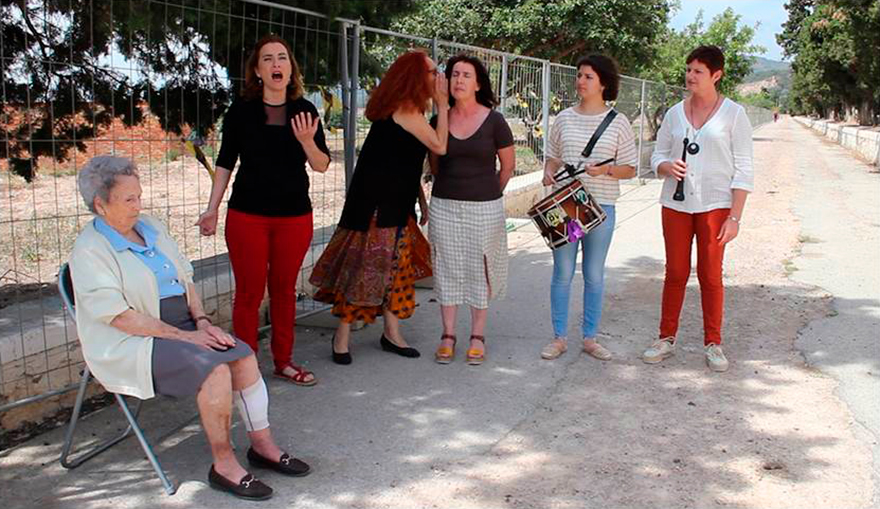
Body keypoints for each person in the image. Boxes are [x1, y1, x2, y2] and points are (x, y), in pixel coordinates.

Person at [69, 156, 308, 501]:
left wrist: (203, 321)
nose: (139, 205)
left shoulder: (149, 226)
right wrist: (188, 337)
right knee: (214, 371)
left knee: (243, 359)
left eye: (139, 195)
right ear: (100, 205)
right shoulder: (90, 250)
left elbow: (185, 276)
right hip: (132, 340)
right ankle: (224, 465)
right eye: (129, 199)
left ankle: (262, 445)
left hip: (182, 326)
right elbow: (120, 317)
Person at [196, 34, 330, 386]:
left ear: (290, 68)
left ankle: (284, 361)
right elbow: (225, 162)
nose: (276, 64)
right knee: (249, 293)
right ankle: (246, 366)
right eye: (267, 59)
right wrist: (211, 208)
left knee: (285, 290)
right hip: (247, 216)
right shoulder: (241, 112)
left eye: (282, 58)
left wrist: (305, 141)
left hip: (294, 217)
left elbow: (321, 165)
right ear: (257, 70)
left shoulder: (305, 111)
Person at [309, 50, 449, 364]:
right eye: (430, 72)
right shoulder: (404, 111)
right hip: (377, 207)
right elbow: (440, 146)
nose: (436, 77)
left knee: (397, 272)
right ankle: (342, 338)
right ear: (414, 77)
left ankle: (391, 333)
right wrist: (443, 104)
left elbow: (404, 163)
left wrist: (421, 202)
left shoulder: (407, 111)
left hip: (394, 205)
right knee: (364, 271)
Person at [643, 45, 754, 372]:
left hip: (716, 205)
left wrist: (735, 216)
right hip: (675, 204)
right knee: (675, 272)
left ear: (716, 75)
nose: (690, 76)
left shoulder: (735, 114)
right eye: (688, 69)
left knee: (709, 274)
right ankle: (665, 338)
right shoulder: (676, 113)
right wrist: (665, 167)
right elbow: (657, 154)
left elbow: (745, 167)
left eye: (698, 71)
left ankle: (713, 343)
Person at [539, 54, 637, 361]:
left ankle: (590, 338)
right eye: (579, 75)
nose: (580, 81)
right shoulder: (564, 118)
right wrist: (548, 170)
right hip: (565, 204)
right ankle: (558, 338)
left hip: (601, 205)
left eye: (588, 77)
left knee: (594, 274)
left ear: (603, 83)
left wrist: (605, 171)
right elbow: (552, 155)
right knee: (563, 272)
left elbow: (630, 168)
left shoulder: (618, 122)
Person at [428, 54, 515, 366]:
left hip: (485, 207)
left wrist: (489, 194)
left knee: (479, 269)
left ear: (478, 83)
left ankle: (477, 335)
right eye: (454, 75)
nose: (459, 80)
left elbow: (507, 168)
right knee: (447, 267)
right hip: (445, 205)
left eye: (466, 75)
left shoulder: (495, 121)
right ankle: (448, 334)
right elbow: (435, 163)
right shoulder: (439, 117)